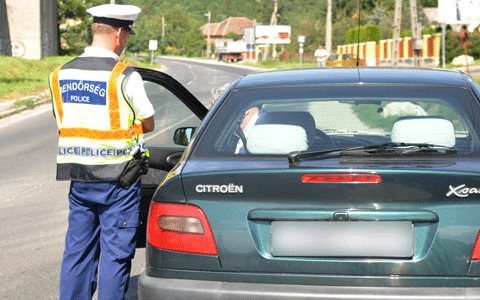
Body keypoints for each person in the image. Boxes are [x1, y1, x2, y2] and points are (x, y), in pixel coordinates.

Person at [48, 4, 155, 300]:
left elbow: (65, 123)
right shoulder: (124, 76)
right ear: (119, 33)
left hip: (80, 179)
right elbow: (148, 121)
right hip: (118, 181)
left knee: (77, 254)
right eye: (127, 36)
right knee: (115, 255)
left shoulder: (58, 75)